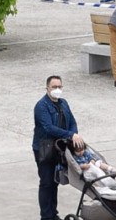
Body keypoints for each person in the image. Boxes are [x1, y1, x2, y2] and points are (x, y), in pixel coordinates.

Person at [33, 75, 84, 220]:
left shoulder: (64, 103)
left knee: (54, 182)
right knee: (46, 182)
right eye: (54, 87)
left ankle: (53, 214)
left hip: (59, 148)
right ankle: (46, 216)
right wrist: (70, 135)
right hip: (44, 149)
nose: (57, 90)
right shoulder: (41, 106)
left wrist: (73, 134)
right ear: (47, 88)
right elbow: (49, 128)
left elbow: (72, 121)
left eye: (59, 87)